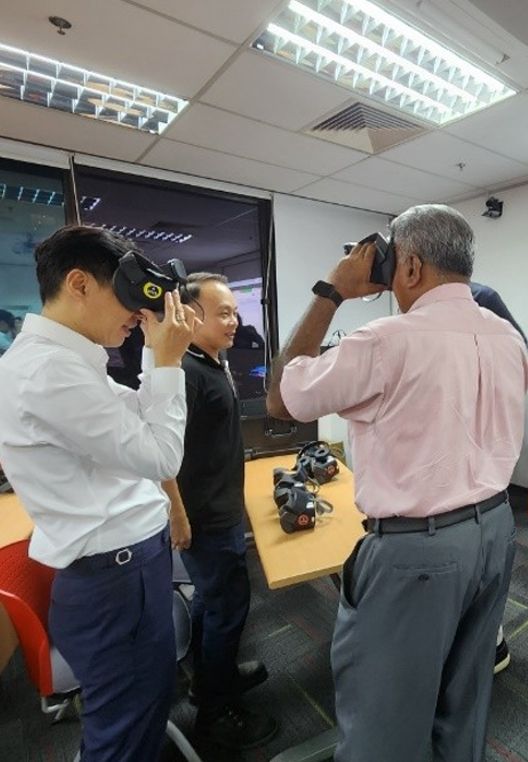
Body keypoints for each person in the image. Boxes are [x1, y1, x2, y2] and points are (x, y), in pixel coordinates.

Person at [267, 204, 528, 762]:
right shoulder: (509, 337)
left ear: (408, 266)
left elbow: (281, 398)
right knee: (465, 699)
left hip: (419, 551)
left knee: (384, 722)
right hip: (497, 531)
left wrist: (331, 289)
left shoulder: (384, 340)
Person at [0, 226, 196, 761]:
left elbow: (136, 417)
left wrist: (160, 357)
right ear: (79, 283)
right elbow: (160, 456)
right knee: (124, 730)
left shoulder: (70, 362)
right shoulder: (48, 372)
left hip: (126, 571)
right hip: (114, 582)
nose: (137, 314)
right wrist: (168, 361)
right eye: (128, 296)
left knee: (142, 706)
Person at [161, 272, 276, 750]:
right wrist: (178, 515)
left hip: (219, 507)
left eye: (235, 311)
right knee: (228, 609)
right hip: (207, 519)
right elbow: (161, 452)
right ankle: (215, 714)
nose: (235, 321)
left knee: (212, 604)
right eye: (223, 312)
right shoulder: (184, 373)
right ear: (191, 315)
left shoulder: (209, 362)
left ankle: (213, 679)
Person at [469, 282, 528, 674]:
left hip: (482, 480)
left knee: (484, 565)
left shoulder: (483, 298)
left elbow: (519, 354)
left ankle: (492, 643)